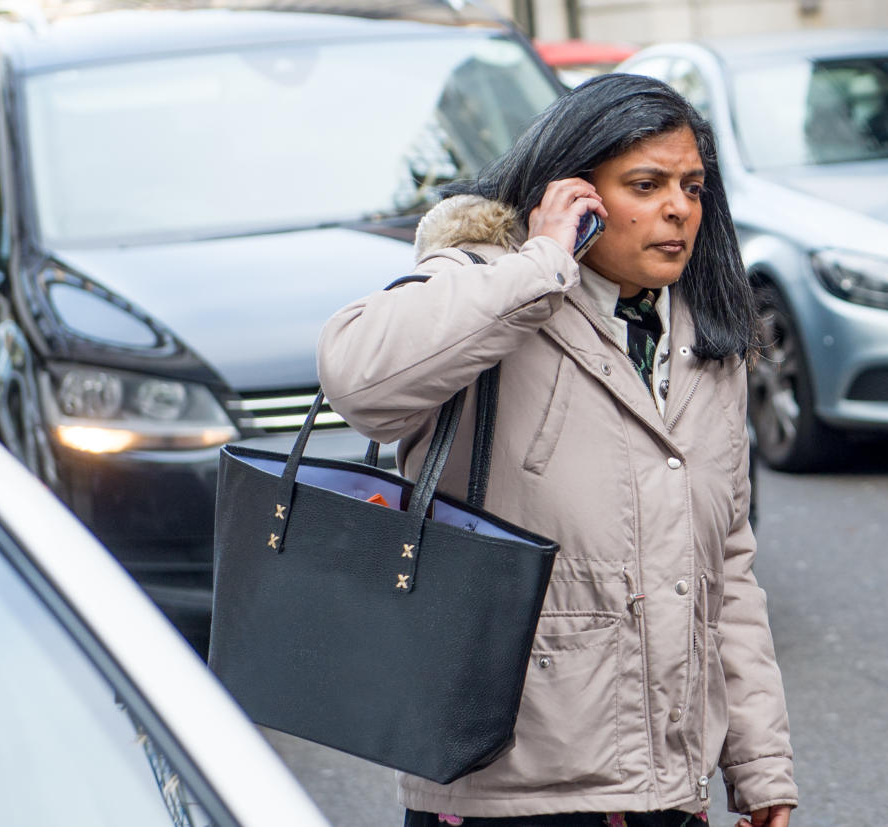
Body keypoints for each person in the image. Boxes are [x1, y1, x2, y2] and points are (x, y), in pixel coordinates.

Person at [317, 73, 797, 827]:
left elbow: (727, 566)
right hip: (502, 790)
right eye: (646, 184)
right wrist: (541, 262)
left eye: (693, 186)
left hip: (664, 789)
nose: (678, 207)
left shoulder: (710, 339)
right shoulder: (491, 283)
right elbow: (356, 378)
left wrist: (760, 760)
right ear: (574, 193)